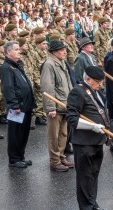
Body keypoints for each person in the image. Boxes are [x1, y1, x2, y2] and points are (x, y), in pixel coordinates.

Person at [66, 66, 111, 210]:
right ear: (88, 79)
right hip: (84, 142)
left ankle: (93, 203)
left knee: (94, 174)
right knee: (85, 176)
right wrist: (92, 126)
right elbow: (72, 119)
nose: (99, 85)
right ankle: (85, 208)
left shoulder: (96, 91)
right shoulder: (77, 92)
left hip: (97, 140)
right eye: (97, 82)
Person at [0, 40, 35, 168]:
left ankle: (21, 156)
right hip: (16, 107)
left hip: (25, 105)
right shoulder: (6, 67)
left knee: (24, 133)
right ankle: (14, 159)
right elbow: (8, 88)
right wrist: (14, 105)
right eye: (16, 49)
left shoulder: (17, 64)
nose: (19, 51)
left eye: (19, 49)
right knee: (15, 133)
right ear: (8, 52)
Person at [41, 40, 74, 172]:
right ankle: (54, 161)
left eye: (65, 49)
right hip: (56, 105)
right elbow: (47, 86)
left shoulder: (62, 63)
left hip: (65, 104)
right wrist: (51, 107)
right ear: (54, 52)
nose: (65, 52)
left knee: (63, 134)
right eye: (61, 50)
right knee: (53, 135)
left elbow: (68, 84)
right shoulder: (49, 65)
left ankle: (61, 157)